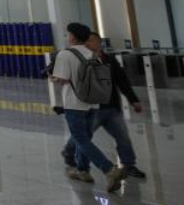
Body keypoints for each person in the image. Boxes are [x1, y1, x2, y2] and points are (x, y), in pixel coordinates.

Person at [51, 22, 125, 192]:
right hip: (93, 102)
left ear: (73, 37)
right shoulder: (93, 54)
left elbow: (61, 79)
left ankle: (109, 169)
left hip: (74, 103)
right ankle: (83, 171)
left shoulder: (66, 54)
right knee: (85, 138)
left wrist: (52, 78)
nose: (67, 37)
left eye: (68, 34)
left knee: (80, 139)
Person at [62, 32, 147, 179]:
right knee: (83, 138)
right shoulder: (80, 60)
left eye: (91, 41)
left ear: (99, 43)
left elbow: (122, 80)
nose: (88, 44)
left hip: (112, 108)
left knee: (123, 138)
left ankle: (129, 165)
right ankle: (70, 154)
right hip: (91, 109)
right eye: (86, 41)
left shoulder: (110, 60)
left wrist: (133, 100)